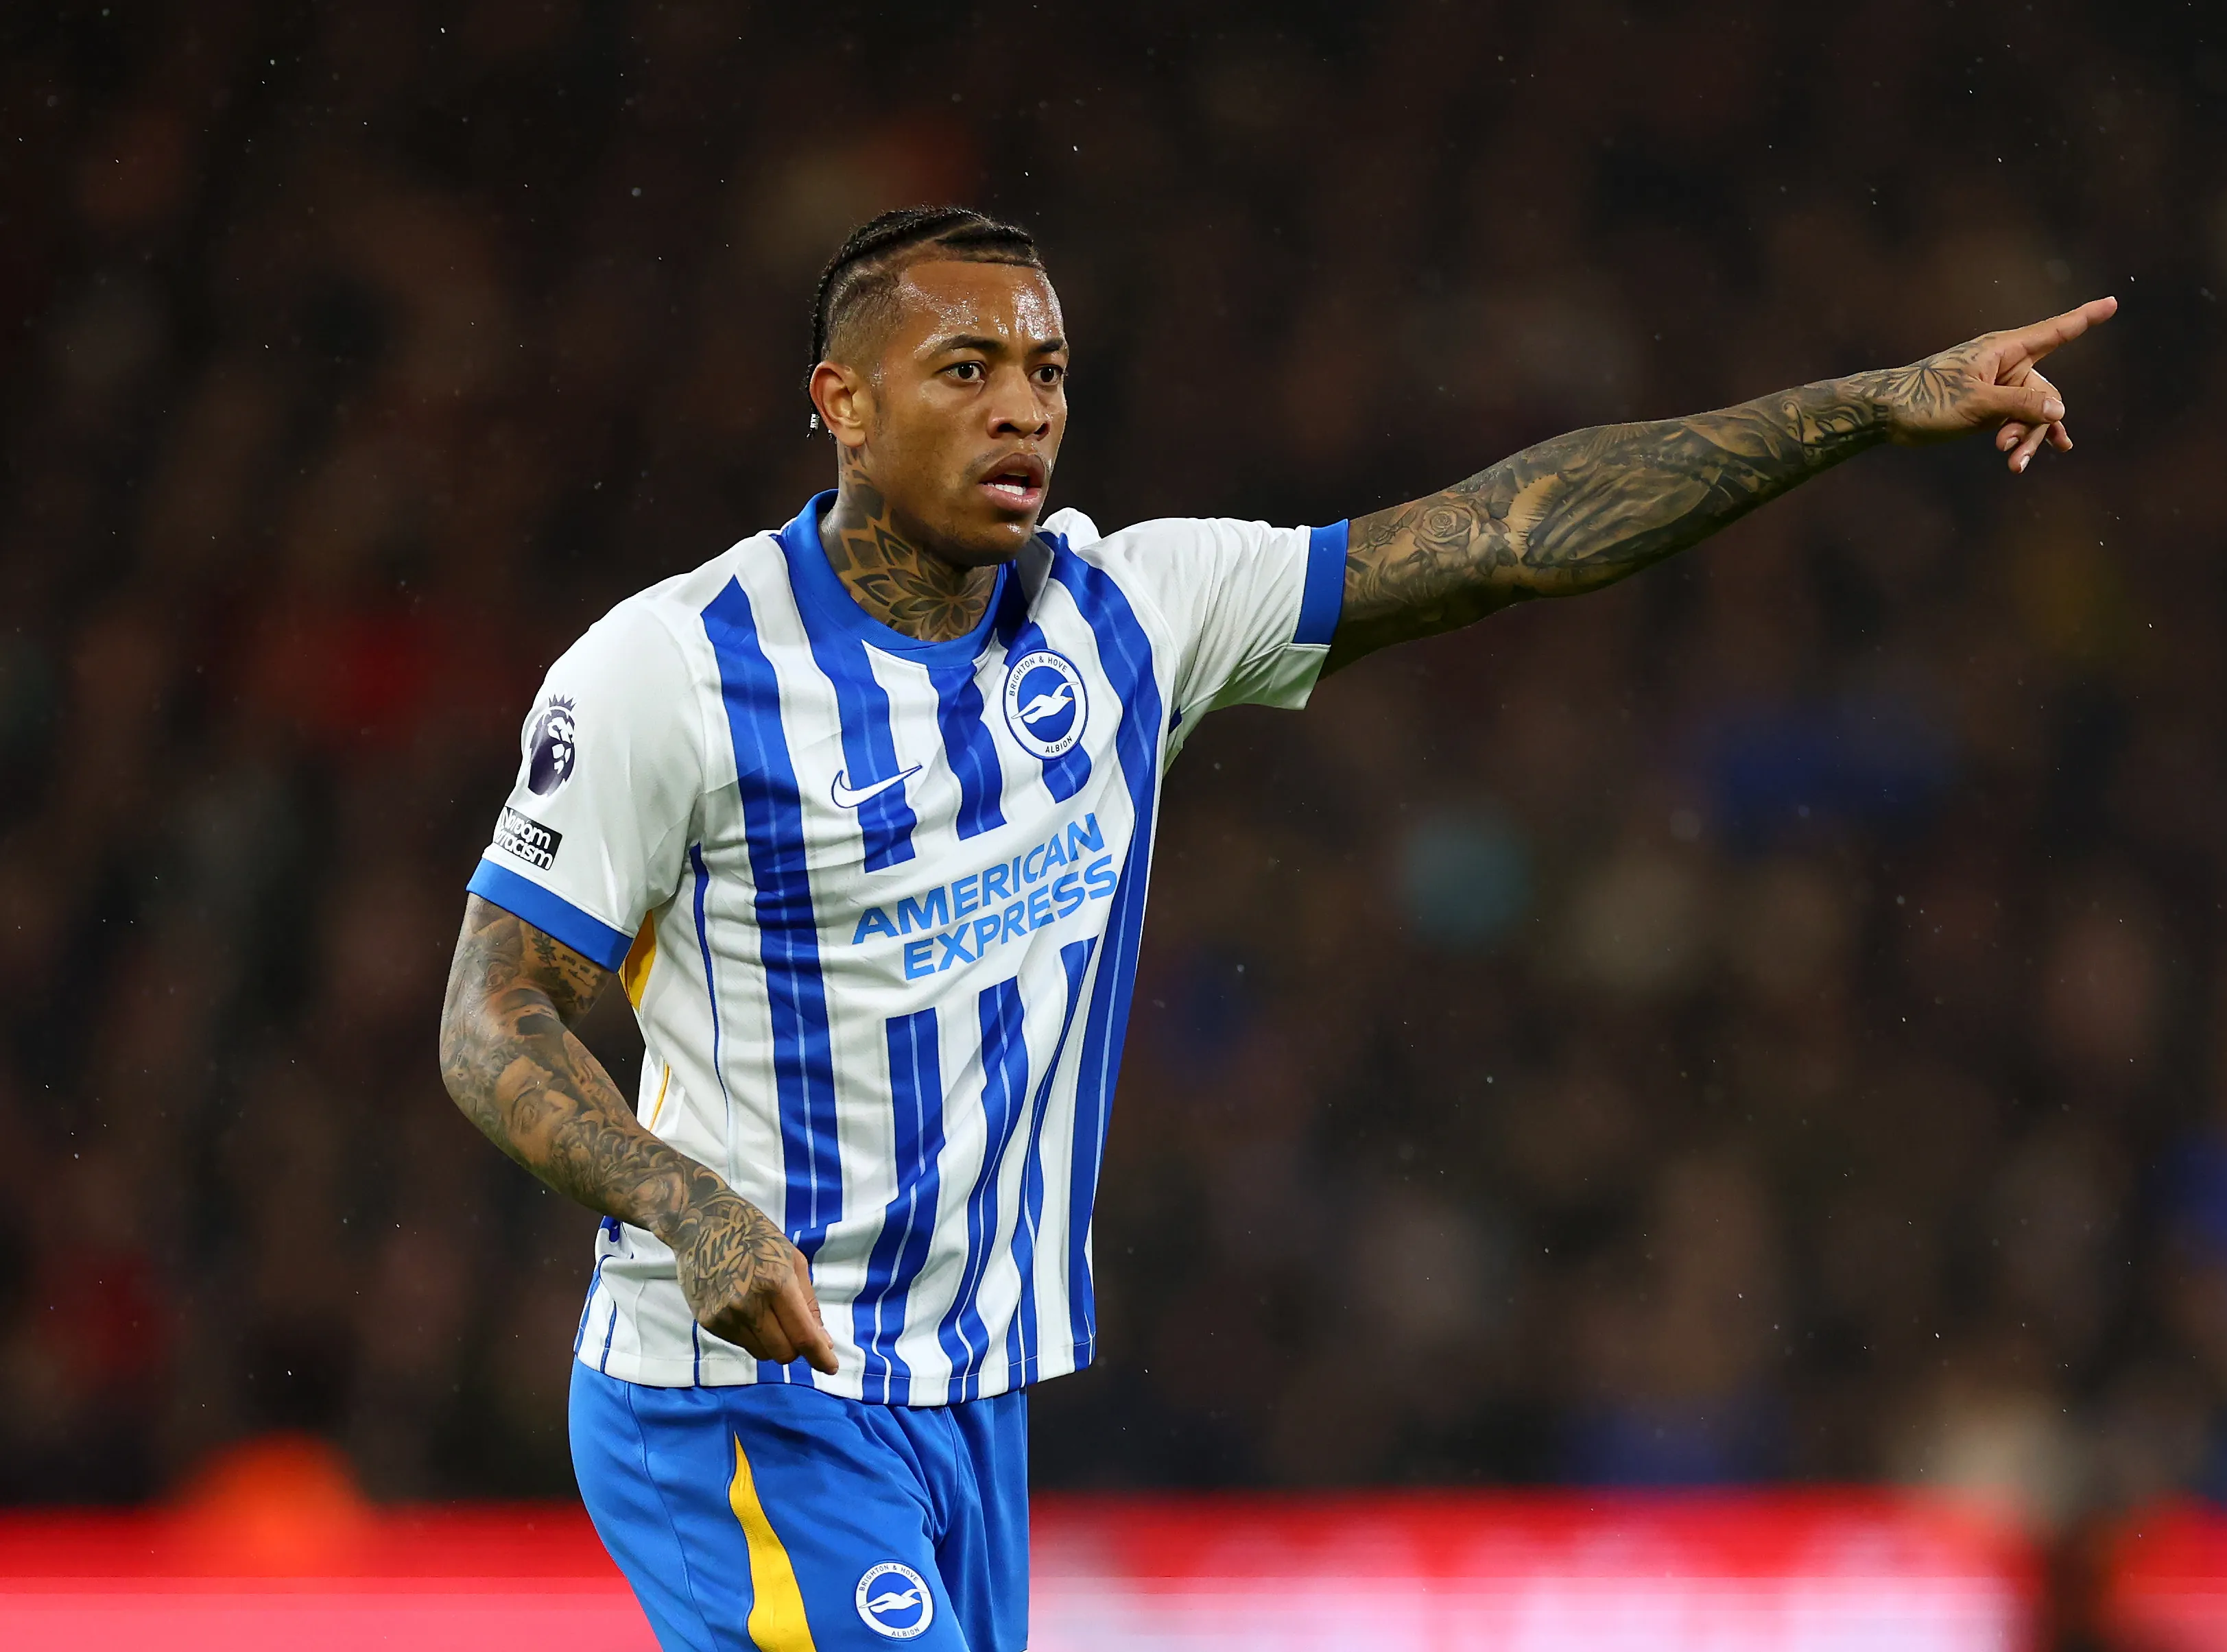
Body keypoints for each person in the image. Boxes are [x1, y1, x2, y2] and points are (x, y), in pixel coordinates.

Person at [436, 204, 2112, 1651]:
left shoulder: (1129, 614)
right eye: (968, 373)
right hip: (738, 1397)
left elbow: (1511, 536)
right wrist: (689, 1207)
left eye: (1049, 373)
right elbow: (493, 1015)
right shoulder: (667, 672)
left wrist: (1875, 406)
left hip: (969, 1400)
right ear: (843, 406)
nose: (1023, 411)